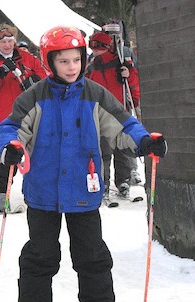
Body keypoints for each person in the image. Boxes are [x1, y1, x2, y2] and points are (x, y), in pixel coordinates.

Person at [0, 25, 167, 302]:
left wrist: (144, 141)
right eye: (63, 61)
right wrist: (10, 147)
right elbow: (11, 128)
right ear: (50, 62)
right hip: (42, 192)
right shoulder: (36, 96)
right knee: (40, 257)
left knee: (92, 256)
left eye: (76, 60)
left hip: (83, 192)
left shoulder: (94, 95)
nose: (71, 67)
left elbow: (123, 124)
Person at [0, 23, 46, 213]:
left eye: (10, 41)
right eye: (3, 42)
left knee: (36, 155)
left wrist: (33, 80)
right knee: (7, 157)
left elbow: (42, 75)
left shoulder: (26, 58)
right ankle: (2, 196)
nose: (7, 45)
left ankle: (35, 194)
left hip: (30, 115)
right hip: (5, 117)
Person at [86, 31, 141, 206]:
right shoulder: (92, 66)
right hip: (100, 113)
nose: (94, 52)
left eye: (97, 48)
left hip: (120, 110)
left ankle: (123, 181)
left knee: (122, 149)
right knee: (104, 151)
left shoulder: (120, 63)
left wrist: (128, 77)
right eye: (92, 48)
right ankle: (104, 183)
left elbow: (133, 82)